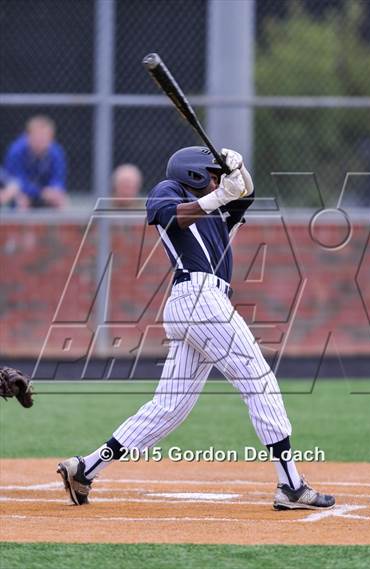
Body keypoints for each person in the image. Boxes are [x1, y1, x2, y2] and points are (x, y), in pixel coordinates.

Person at [57, 146, 335, 511]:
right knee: (259, 382)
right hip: (198, 298)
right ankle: (291, 486)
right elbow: (172, 217)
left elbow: (242, 196)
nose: (218, 181)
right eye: (212, 174)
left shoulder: (216, 212)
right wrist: (220, 191)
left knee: (169, 408)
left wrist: (237, 171)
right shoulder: (168, 189)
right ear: (194, 175)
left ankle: (86, 469)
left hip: (200, 304)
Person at [4, 115, 68, 208]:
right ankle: (22, 222)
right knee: (21, 200)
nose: (41, 141)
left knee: (61, 199)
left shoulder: (56, 152)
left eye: (45, 137)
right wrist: (39, 192)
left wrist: (54, 189)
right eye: (37, 137)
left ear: (51, 137)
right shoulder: (16, 151)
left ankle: (57, 222)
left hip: (47, 192)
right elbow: (16, 179)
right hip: (24, 191)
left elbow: (58, 178)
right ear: (28, 136)